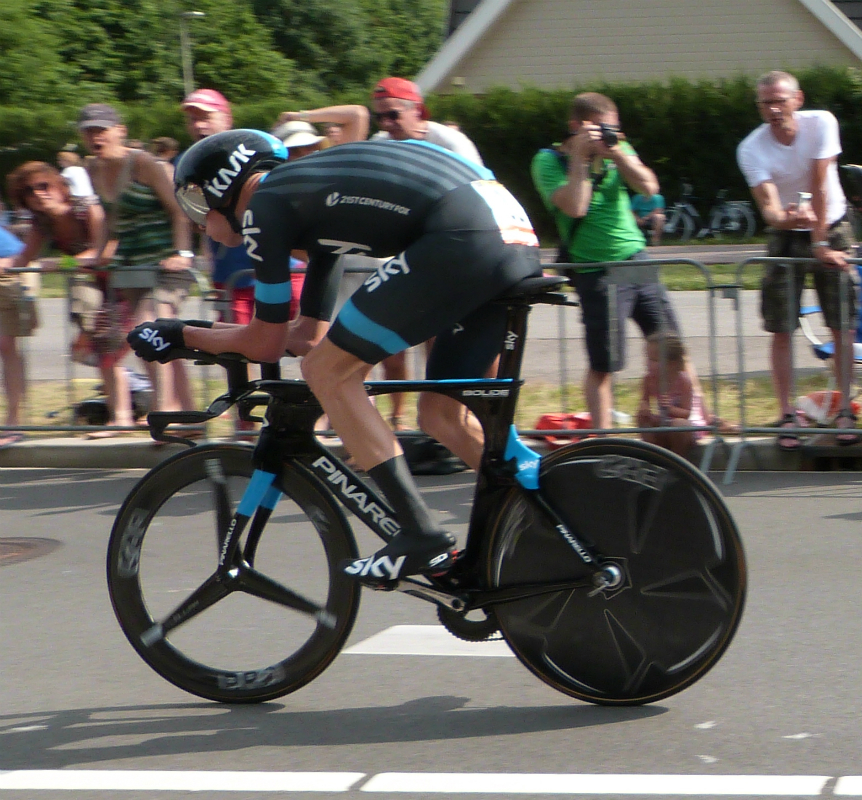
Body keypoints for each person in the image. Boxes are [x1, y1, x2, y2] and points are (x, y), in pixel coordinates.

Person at [128, 130, 541, 581]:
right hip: (510, 235)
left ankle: (420, 535)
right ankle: (550, 504)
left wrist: (180, 333)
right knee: (443, 416)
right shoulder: (310, 206)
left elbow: (265, 344)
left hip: (463, 233)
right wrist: (196, 334)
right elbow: (306, 335)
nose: (198, 220)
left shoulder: (264, 206)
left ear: (223, 188)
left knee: (328, 373)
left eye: (196, 202)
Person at [531, 91, 681, 432]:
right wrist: (580, 159)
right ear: (576, 126)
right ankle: (603, 436)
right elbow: (575, 208)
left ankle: (674, 418)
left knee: (671, 346)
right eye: (600, 129)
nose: (608, 135)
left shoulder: (617, 148)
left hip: (636, 258)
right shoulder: (548, 161)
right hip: (596, 270)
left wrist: (616, 153)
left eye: (612, 129)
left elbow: (649, 187)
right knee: (605, 363)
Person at [737, 70, 859, 449]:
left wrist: (820, 240)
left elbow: (820, 182)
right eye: (765, 104)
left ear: (798, 99)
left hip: (832, 224)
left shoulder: (822, 123)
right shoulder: (751, 148)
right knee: (781, 326)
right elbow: (769, 208)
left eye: (780, 101)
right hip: (787, 235)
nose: (774, 110)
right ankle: (788, 413)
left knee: (841, 323)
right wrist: (788, 219)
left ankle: (845, 410)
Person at [370, 77, 485, 433]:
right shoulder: (380, 144)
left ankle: (457, 421)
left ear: (417, 110)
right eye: (380, 117)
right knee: (401, 344)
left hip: (456, 251)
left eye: (393, 115)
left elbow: (482, 193)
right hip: (410, 255)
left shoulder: (451, 142)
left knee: (448, 345)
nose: (386, 125)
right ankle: (412, 422)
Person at [79, 102, 195, 427]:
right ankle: (189, 414)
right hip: (130, 265)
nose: (95, 137)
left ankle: (163, 410)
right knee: (155, 340)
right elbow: (109, 217)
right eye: (88, 131)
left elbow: (178, 211)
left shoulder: (142, 162)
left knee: (148, 326)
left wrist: (183, 254)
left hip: (165, 265)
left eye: (101, 130)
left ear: (120, 131)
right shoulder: (92, 167)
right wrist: (99, 253)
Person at [4, 162, 132, 436]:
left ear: (60, 186)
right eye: (29, 191)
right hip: (94, 291)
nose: (38, 194)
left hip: (123, 286)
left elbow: (102, 253)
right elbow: (22, 258)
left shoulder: (87, 209)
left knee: (112, 350)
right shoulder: (43, 222)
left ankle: (129, 416)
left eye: (44, 186)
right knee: (103, 352)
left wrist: (63, 263)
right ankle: (122, 416)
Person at [637, 332, 706, 456]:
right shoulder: (649, 380)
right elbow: (644, 402)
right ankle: (653, 456)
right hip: (664, 423)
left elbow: (687, 414)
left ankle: (677, 459)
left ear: (672, 364)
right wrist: (645, 410)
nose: (647, 363)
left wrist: (670, 408)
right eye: (647, 358)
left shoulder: (683, 381)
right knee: (642, 420)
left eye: (653, 360)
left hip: (688, 426)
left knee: (678, 425)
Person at [0, 222, 28, 449]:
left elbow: (21, 254)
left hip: (8, 282)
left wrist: (7, 264)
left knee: (6, 345)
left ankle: (14, 421)